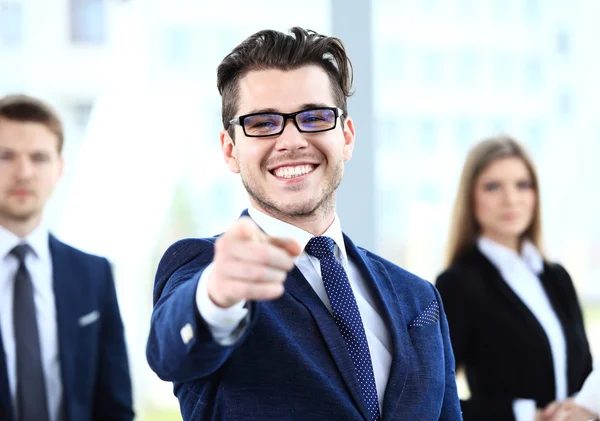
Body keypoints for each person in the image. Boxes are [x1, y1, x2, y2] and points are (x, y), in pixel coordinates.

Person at [146, 27, 462, 420]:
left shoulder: (419, 298)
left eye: (314, 118)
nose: (292, 140)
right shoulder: (207, 270)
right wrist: (217, 296)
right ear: (230, 150)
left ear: (346, 137)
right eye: (262, 123)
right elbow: (169, 351)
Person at [435, 136, 592, 421]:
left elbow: (584, 375)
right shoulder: (457, 285)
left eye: (523, 185)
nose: (511, 199)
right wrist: (527, 415)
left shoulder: (557, 278)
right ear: (471, 197)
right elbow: (434, 399)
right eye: (493, 187)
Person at [0, 94, 134, 421]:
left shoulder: (94, 274)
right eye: (5, 156)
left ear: (59, 169)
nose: (24, 172)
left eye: (39, 158)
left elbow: (115, 404)